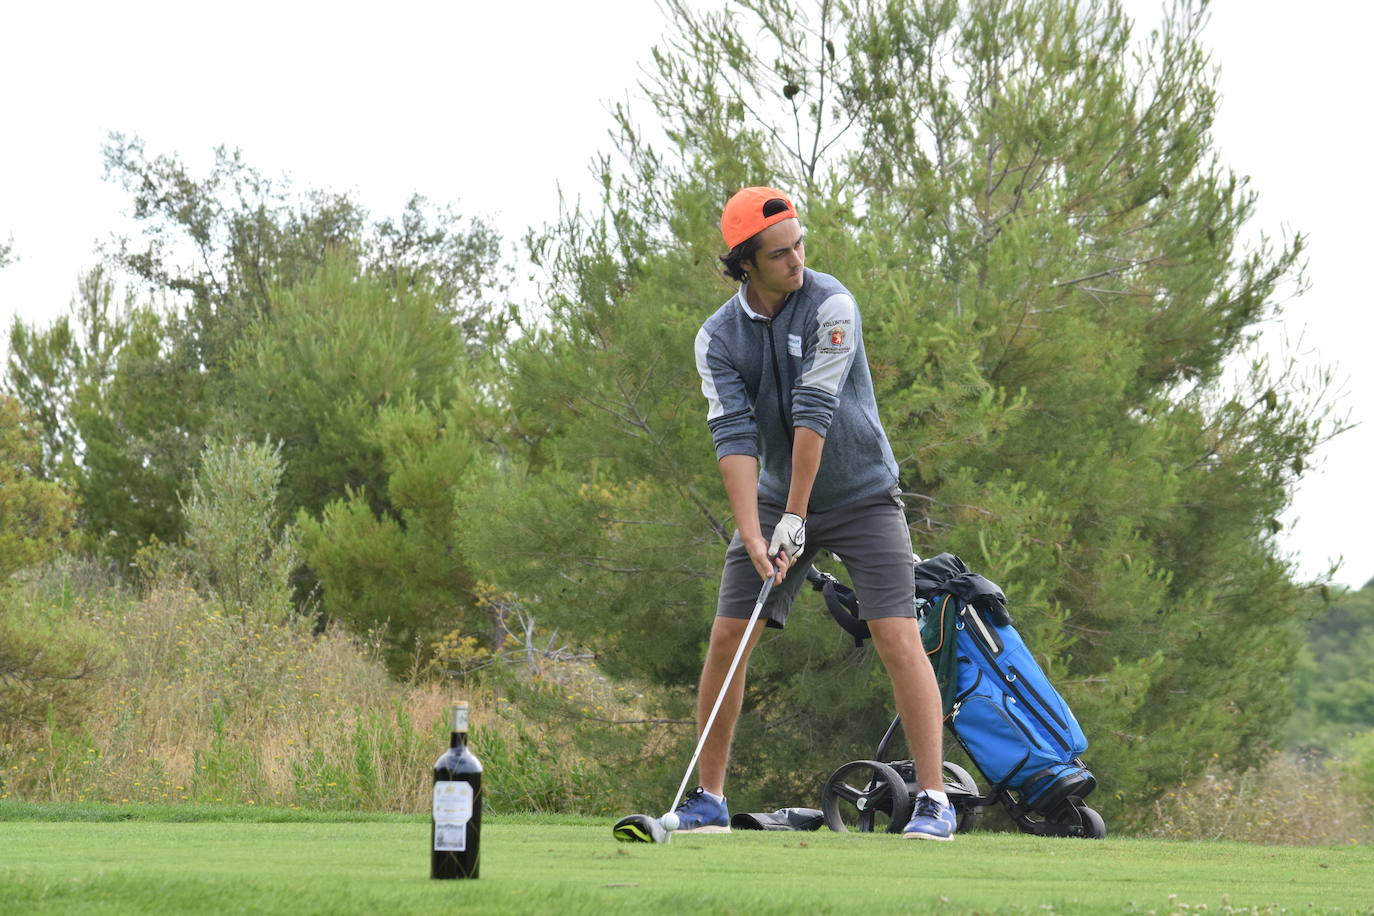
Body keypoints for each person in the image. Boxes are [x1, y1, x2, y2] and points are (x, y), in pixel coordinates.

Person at [674, 186, 955, 840]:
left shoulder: (832, 304)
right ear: (745, 262)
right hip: (774, 496)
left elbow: (813, 412)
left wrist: (796, 517)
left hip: (861, 493)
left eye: (799, 244)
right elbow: (734, 436)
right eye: (779, 254)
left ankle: (935, 801)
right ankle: (709, 800)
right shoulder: (717, 337)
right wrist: (753, 531)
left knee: (895, 635)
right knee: (726, 638)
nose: (796, 260)